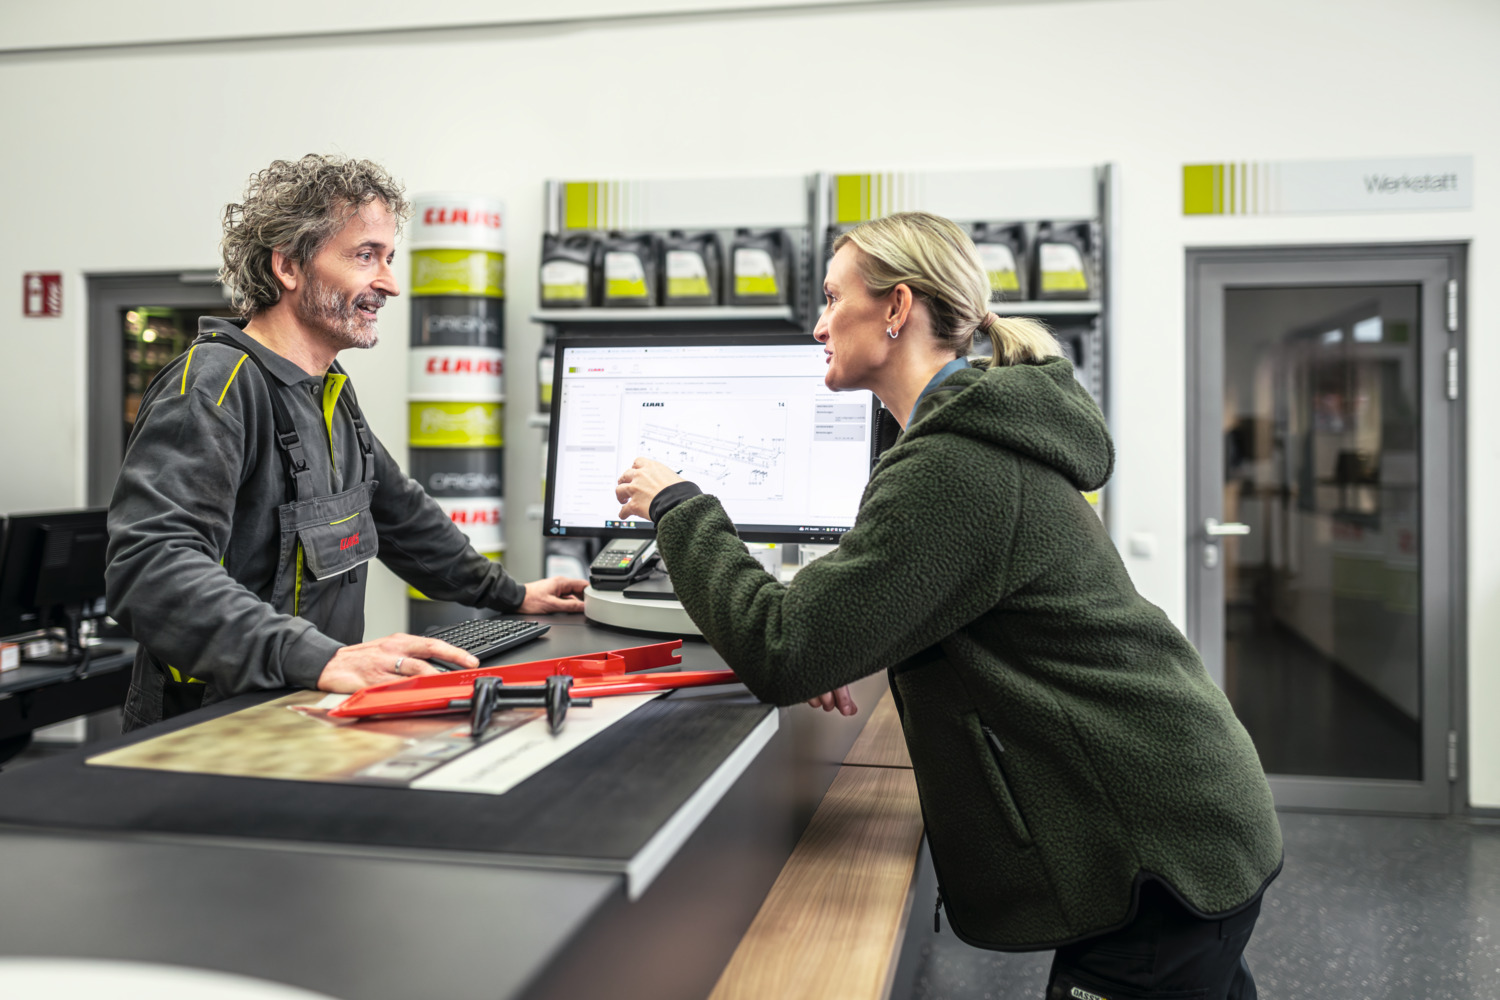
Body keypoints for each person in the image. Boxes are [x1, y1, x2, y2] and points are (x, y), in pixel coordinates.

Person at [616, 211, 1281, 999]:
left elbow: (781, 649)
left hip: (1155, 848)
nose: (820, 325)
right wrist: (850, 636)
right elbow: (902, 611)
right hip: (1184, 809)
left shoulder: (954, 466)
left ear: (896, 309)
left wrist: (682, 507)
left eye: (833, 299)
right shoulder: (964, 442)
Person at [107, 154, 586, 730]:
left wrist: (511, 595)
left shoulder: (327, 390)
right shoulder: (215, 386)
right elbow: (151, 567)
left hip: (309, 709)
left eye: (388, 258)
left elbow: (400, 513)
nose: (389, 283)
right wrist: (322, 656)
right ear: (288, 267)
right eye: (365, 257)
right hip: (217, 724)